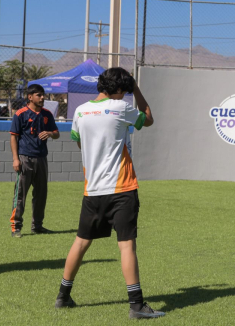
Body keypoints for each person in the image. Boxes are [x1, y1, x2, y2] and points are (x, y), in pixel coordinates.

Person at [55, 67, 165, 320]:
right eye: (124, 90)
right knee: (126, 246)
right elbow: (148, 119)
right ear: (118, 89)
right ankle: (136, 306)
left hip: (92, 189)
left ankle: (63, 296)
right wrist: (136, 89)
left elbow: (79, 142)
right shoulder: (121, 107)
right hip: (121, 187)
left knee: (81, 241)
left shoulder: (80, 111)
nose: (125, 94)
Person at [9, 84, 59, 238]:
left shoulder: (47, 114)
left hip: (42, 159)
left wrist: (50, 133)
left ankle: (37, 226)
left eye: (43, 95)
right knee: (21, 194)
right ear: (30, 97)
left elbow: (57, 133)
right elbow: (13, 137)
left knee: (41, 194)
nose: (42, 97)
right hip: (25, 159)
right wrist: (16, 159)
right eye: (39, 95)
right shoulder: (20, 114)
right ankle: (16, 227)